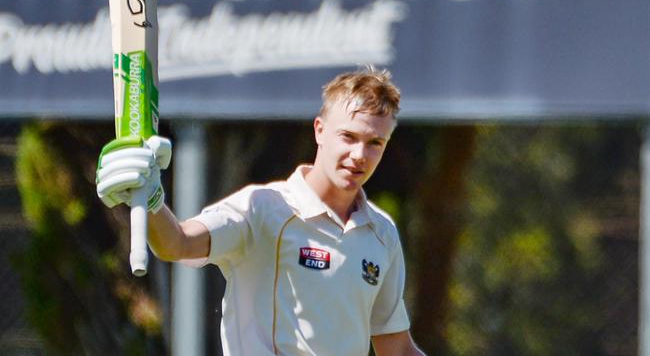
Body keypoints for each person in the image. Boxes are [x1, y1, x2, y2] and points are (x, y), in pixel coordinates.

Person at [96, 66, 425, 356]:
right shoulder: (263, 208)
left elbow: (396, 349)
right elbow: (177, 243)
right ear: (320, 130)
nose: (359, 155)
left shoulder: (381, 233)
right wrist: (152, 201)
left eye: (374, 143)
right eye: (348, 137)